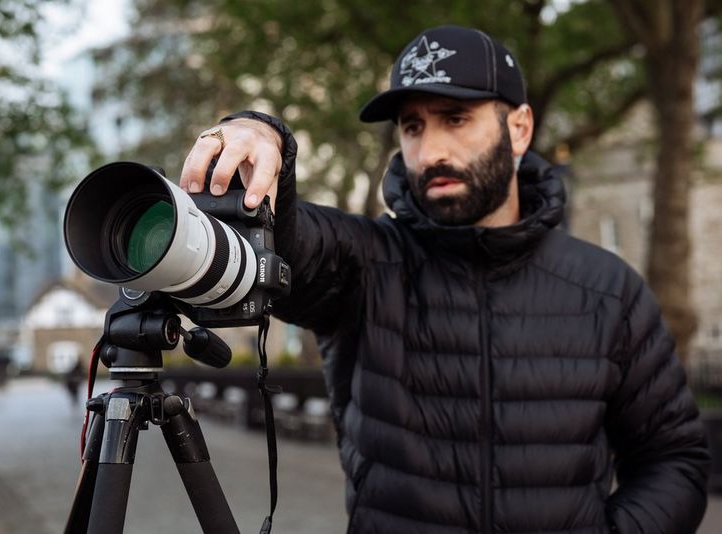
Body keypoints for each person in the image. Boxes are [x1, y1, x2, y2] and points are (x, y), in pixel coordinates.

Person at [180, 25, 710, 534]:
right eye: (413, 127)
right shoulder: (367, 263)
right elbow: (295, 240)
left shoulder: (609, 291)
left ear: (519, 128)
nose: (430, 150)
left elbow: (674, 459)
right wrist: (259, 131)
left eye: (455, 119)